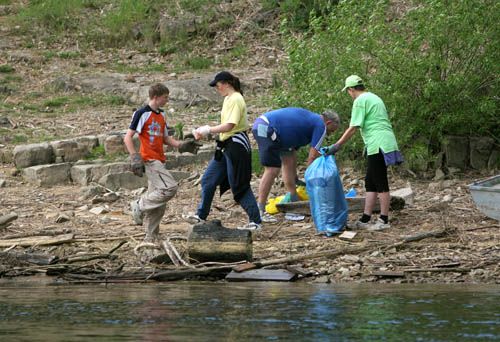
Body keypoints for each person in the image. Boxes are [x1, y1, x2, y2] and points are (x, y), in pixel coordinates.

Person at [124, 83, 201, 242]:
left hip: (160, 158)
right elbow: (127, 137)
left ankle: (151, 237)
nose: (167, 100)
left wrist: (181, 145)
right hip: (149, 159)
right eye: (165, 97)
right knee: (169, 188)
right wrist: (134, 157)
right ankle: (139, 204)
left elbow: (165, 138)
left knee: (159, 204)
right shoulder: (142, 113)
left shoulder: (162, 115)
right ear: (155, 97)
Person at [186, 71, 262, 231]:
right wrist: (208, 132)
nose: (216, 88)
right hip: (225, 144)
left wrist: (208, 129)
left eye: (218, 85)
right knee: (209, 179)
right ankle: (201, 215)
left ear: (227, 83)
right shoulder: (228, 99)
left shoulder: (236, 99)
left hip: (237, 144)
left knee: (239, 185)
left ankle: (255, 221)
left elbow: (230, 125)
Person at [326, 75, 403, 230]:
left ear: (351, 89)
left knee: (380, 182)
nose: (349, 94)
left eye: (348, 91)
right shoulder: (373, 97)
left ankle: (383, 220)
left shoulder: (360, 101)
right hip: (382, 142)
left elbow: (353, 127)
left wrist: (337, 145)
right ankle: (366, 218)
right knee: (370, 181)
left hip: (378, 143)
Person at [252, 107, 340, 223]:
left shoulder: (310, 122)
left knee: (290, 160)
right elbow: (312, 156)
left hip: (276, 133)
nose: (329, 134)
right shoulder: (320, 125)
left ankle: (293, 204)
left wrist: (296, 178)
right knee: (272, 169)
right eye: (331, 130)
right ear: (328, 123)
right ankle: (259, 211)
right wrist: (311, 179)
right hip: (265, 127)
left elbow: (293, 158)